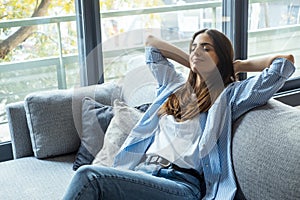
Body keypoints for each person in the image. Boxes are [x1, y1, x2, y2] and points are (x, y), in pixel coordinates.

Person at [63, 28, 295, 200]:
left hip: (179, 184)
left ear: (221, 57)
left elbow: (284, 64)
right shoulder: (172, 86)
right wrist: (196, 61)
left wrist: (235, 66)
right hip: (141, 173)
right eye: (194, 46)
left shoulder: (229, 96)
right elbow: (152, 45)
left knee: (89, 177)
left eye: (207, 48)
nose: (197, 51)